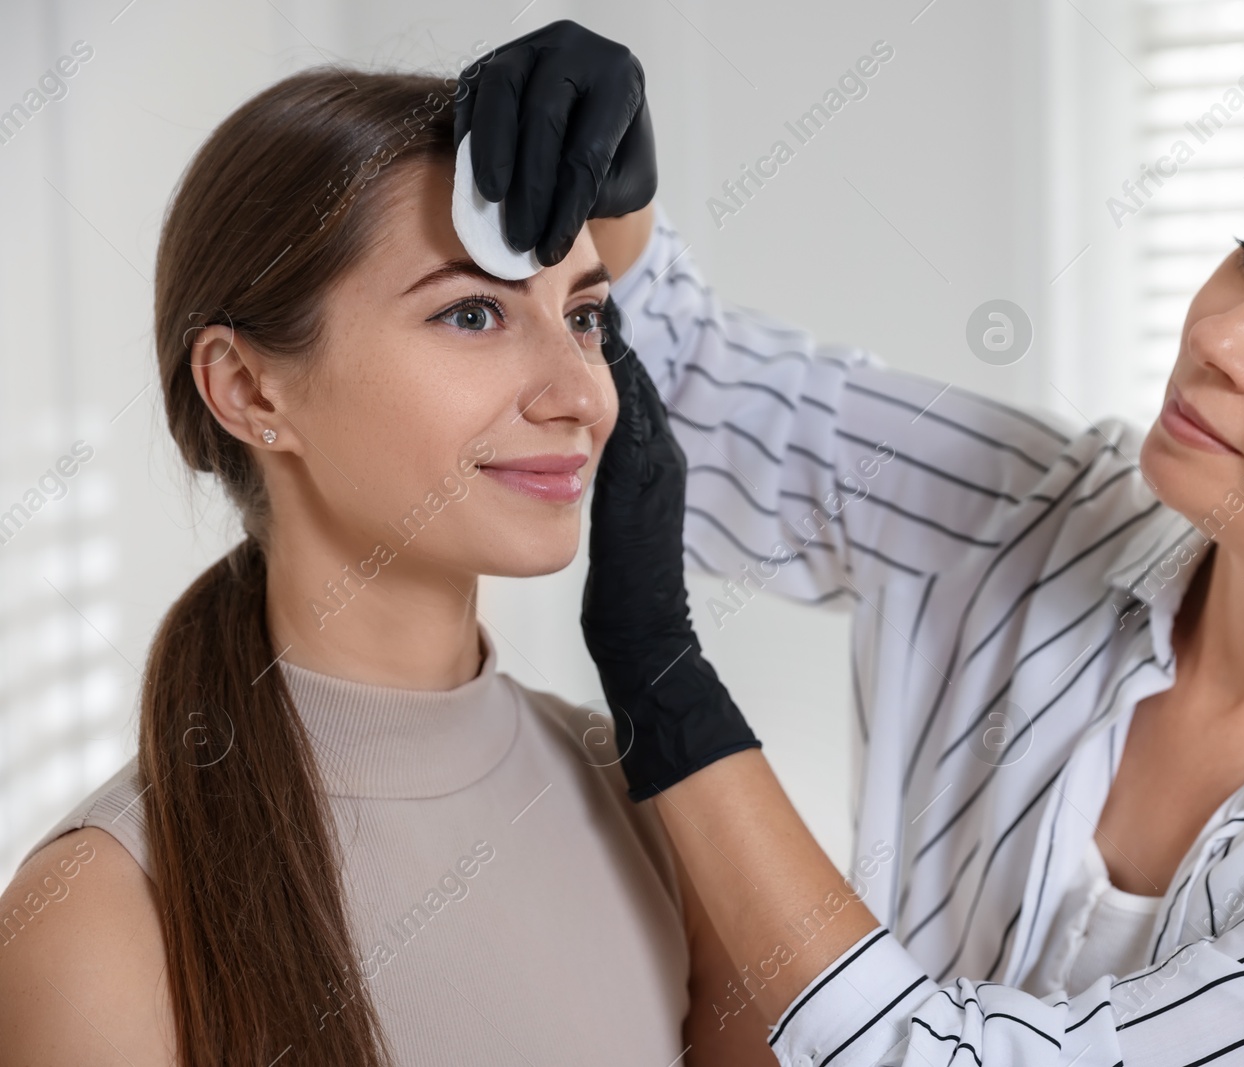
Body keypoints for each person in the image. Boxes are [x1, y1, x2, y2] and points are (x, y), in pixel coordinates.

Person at [461, 24, 1244, 1067]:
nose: (1219, 335)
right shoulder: (1041, 512)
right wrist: (607, 199)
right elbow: (684, 399)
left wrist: (672, 695)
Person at [0, 64, 772, 1066]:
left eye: (581, 317)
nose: (579, 394)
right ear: (247, 389)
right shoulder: (97, 917)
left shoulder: (660, 801)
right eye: (472, 314)